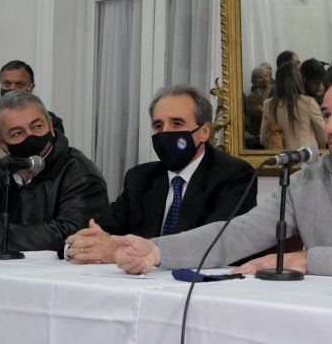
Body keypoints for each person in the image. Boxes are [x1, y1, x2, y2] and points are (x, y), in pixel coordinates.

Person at [110, 65, 332, 279]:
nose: (331, 126)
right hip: (331, 316)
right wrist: (157, 251)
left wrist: (307, 260)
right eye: (327, 113)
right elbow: (241, 232)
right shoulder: (311, 177)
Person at [64, 85, 257, 264]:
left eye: (177, 124)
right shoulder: (140, 179)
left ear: (204, 132)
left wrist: (118, 250)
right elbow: (95, 231)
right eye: (158, 126)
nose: (165, 133)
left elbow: (212, 244)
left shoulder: (234, 175)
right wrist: (77, 246)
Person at [0, 91, 108, 252]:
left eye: (37, 126)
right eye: (17, 133)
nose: (31, 137)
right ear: (1, 142)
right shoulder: (0, 171)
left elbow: (71, 235)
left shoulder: (80, 172)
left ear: (50, 124)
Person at [260, 62, 326, 150]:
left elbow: (263, 139)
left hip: (280, 157)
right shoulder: (308, 102)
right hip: (306, 157)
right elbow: (324, 135)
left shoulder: (267, 105)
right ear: (299, 80)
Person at [245, 66, 271, 149]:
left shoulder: (276, 93)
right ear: (254, 81)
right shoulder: (251, 98)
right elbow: (263, 114)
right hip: (259, 137)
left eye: (266, 76)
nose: (264, 79)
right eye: (260, 77)